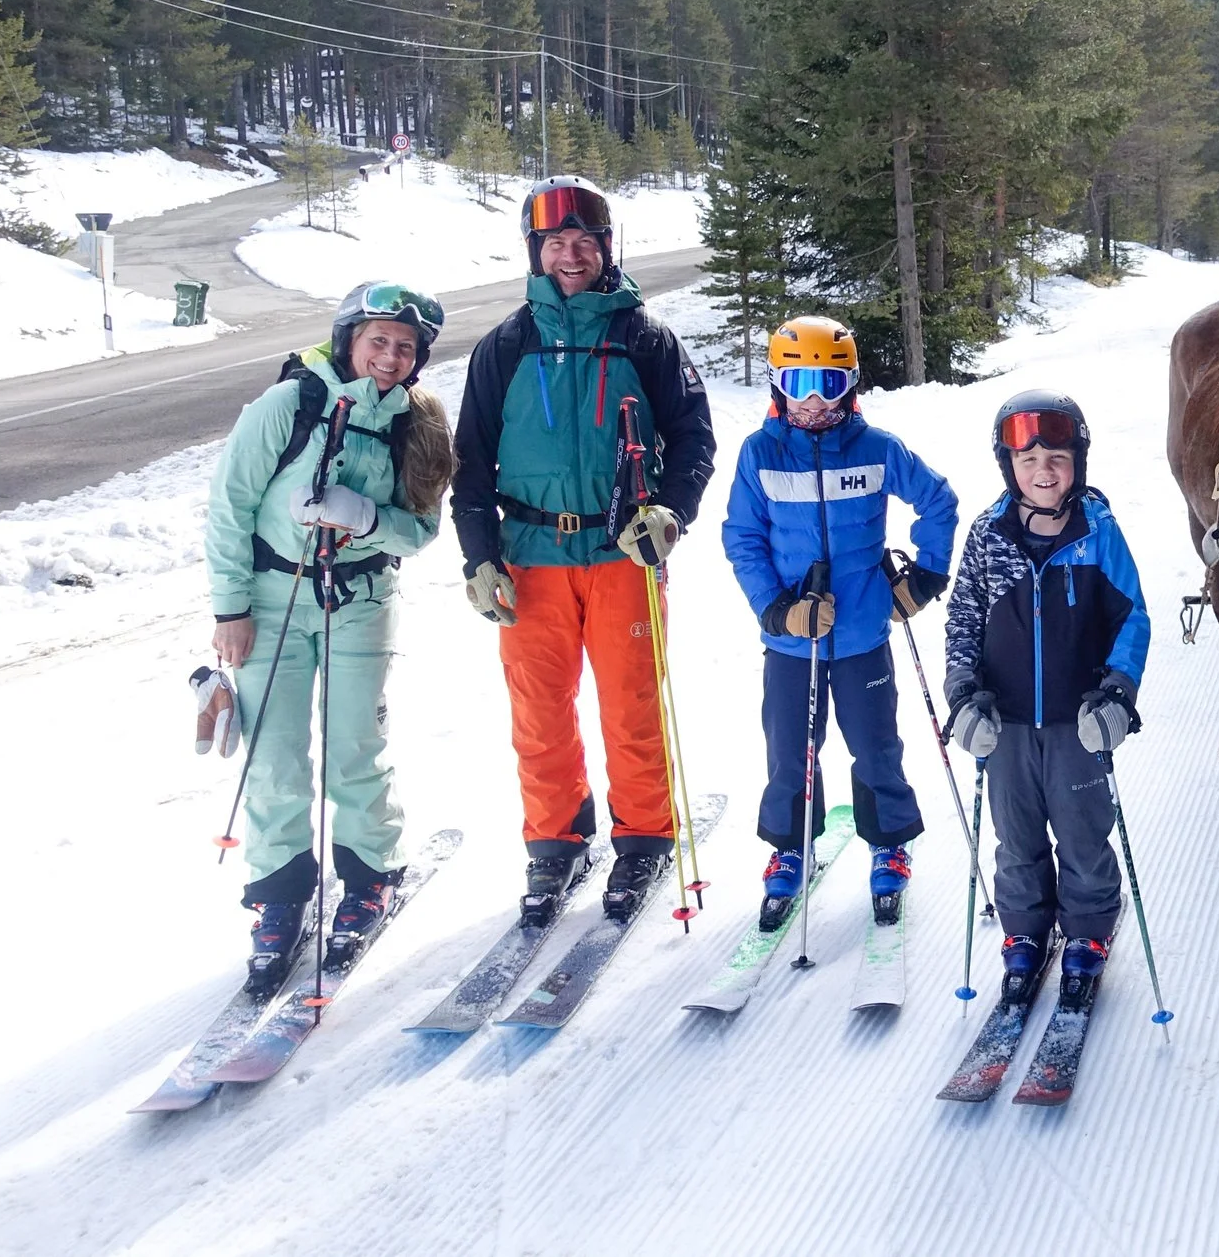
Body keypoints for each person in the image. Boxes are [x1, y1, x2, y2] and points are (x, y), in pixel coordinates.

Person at [451, 176, 716, 924]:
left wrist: (671, 512)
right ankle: (555, 840)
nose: (571, 255)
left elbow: (694, 438)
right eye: (555, 243)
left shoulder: (645, 337)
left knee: (631, 703)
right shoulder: (506, 345)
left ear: (606, 247)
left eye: (584, 242)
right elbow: (469, 462)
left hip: (622, 553)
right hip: (529, 556)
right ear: (534, 252)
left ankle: (644, 837)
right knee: (538, 710)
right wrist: (479, 555)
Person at [205, 280, 454, 991]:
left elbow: (422, 530)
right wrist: (230, 609)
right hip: (271, 600)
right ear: (349, 338)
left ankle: (371, 875)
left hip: (361, 600)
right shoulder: (289, 404)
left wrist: (366, 519)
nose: (390, 356)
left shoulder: (419, 423)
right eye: (379, 340)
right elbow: (229, 506)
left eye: (405, 347)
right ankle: (279, 895)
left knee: (354, 747)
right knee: (275, 755)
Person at [722, 315, 959, 930]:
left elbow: (938, 501)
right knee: (790, 750)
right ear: (776, 385)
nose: (813, 401)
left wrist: (924, 578)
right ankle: (789, 847)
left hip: (862, 638)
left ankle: (889, 844)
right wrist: (779, 609)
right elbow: (742, 538)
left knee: (876, 746)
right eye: (797, 384)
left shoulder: (877, 449)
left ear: (849, 385)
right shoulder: (760, 454)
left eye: (828, 384)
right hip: (791, 642)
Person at [942, 390, 1150, 1007]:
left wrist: (1118, 694)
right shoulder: (988, 535)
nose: (1044, 471)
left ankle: (1087, 930)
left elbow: (1132, 618)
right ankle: (1025, 931)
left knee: (1083, 833)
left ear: (1077, 461)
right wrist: (963, 695)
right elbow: (963, 619)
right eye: (1028, 460)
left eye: (1057, 458)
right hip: (1004, 725)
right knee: (1017, 837)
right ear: (1008, 466)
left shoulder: (1097, 534)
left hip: (1076, 723)